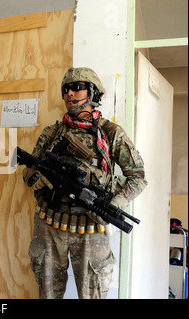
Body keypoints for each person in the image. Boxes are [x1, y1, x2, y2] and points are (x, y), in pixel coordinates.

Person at [23, 67, 147, 299]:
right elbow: (29, 171)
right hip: (50, 224)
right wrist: (39, 179)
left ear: (91, 92)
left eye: (77, 87)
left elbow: (138, 178)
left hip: (91, 227)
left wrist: (116, 204)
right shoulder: (52, 132)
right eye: (65, 89)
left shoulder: (111, 133)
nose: (69, 93)